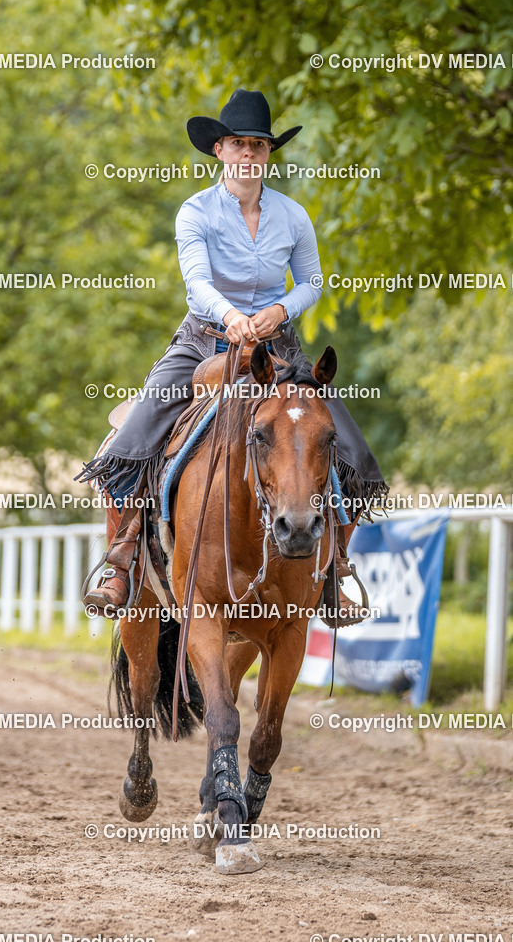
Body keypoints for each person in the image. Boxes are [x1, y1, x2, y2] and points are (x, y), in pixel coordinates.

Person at [77, 89, 387, 621]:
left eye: (259, 146)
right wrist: (232, 318)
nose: (249, 154)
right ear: (219, 150)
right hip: (204, 339)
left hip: (278, 349)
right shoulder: (194, 211)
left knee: (351, 452)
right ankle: (123, 559)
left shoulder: (293, 216)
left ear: (268, 154)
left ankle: (334, 568)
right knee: (132, 440)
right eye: (239, 144)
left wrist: (280, 311)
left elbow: (312, 280)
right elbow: (196, 281)